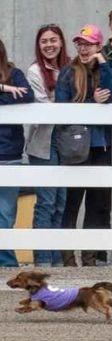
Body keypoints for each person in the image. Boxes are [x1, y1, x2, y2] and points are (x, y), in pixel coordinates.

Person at [56, 25, 112, 267]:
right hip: (77, 146)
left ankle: (89, 257)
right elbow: (62, 108)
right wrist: (92, 102)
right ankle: (68, 258)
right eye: (80, 43)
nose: (83, 48)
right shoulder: (68, 73)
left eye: (89, 44)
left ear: (99, 47)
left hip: (101, 145)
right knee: (72, 202)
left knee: (98, 203)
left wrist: (102, 63)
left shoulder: (104, 70)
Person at [25, 24, 70, 267]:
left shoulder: (70, 67)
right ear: (39, 45)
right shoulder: (34, 71)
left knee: (61, 202)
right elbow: (43, 105)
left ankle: (55, 259)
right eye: (44, 41)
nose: (49, 45)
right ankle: (43, 259)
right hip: (44, 142)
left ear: (61, 42)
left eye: (53, 40)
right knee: (47, 201)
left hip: (67, 141)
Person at [0, 38, 35, 267]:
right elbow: (13, 96)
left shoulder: (15, 73)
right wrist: (4, 90)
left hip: (8, 155)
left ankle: (6, 262)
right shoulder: (8, 81)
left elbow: (26, 95)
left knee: (5, 212)